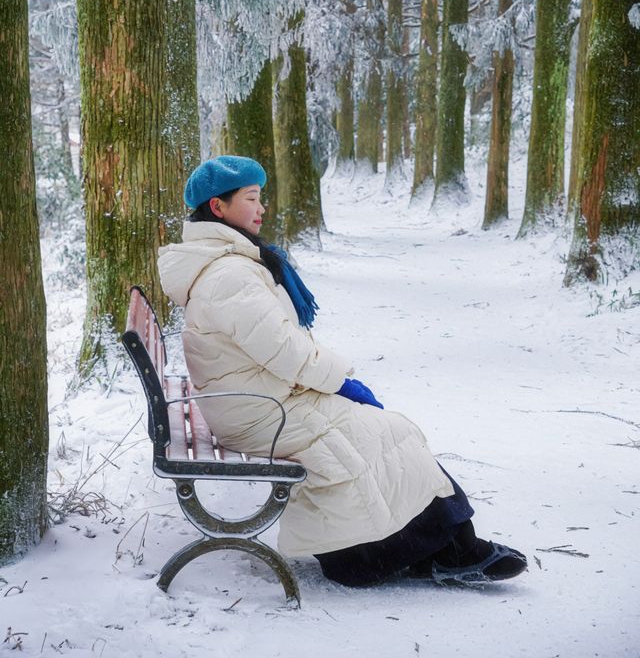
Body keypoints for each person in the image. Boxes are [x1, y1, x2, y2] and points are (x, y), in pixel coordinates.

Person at [158, 155, 527, 587]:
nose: (262, 208)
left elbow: (278, 345)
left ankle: (444, 548)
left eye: (262, 198)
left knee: (387, 432)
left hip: (257, 400)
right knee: (382, 434)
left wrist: (336, 381)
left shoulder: (230, 264)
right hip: (260, 411)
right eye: (252, 199)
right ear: (218, 208)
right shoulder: (230, 275)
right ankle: (384, 558)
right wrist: (341, 380)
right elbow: (286, 351)